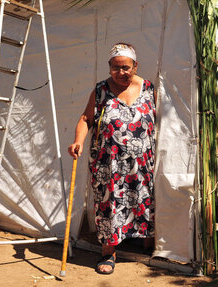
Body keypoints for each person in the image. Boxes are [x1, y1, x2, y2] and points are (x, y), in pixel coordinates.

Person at [68, 42, 156, 275]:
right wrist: (78, 141)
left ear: (135, 66)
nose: (121, 73)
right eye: (116, 68)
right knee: (110, 204)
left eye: (126, 67)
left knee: (142, 200)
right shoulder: (100, 90)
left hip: (142, 164)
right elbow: (86, 119)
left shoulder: (149, 88)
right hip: (109, 164)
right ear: (109, 68)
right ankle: (108, 252)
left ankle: (144, 240)